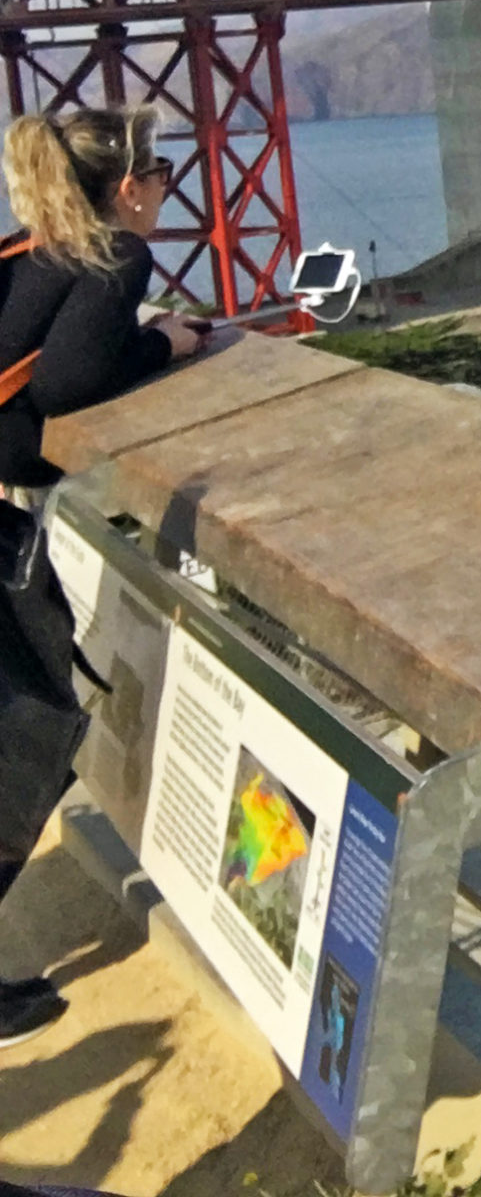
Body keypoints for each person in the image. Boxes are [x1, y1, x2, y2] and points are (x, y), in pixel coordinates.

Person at [0, 104, 203, 1047]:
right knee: (25, 738)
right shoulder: (114, 257)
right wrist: (169, 344)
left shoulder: (22, 254)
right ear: (128, 187)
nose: (167, 190)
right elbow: (72, 385)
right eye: (162, 174)